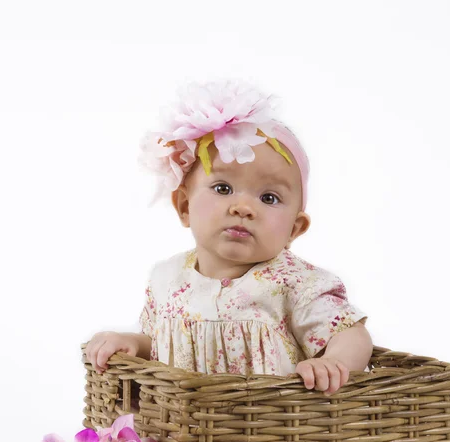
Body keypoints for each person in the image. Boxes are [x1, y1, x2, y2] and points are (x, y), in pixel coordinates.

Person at [84, 79, 373, 395]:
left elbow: (349, 333)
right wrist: (132, 344)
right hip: (181, 431)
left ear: (294, 229)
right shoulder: (167, 280)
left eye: (269, 198)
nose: (244, 207)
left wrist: (334, 362)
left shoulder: (295, 284)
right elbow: (158, 345)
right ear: (184, 206)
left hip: (270, 432)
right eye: (223, 189)